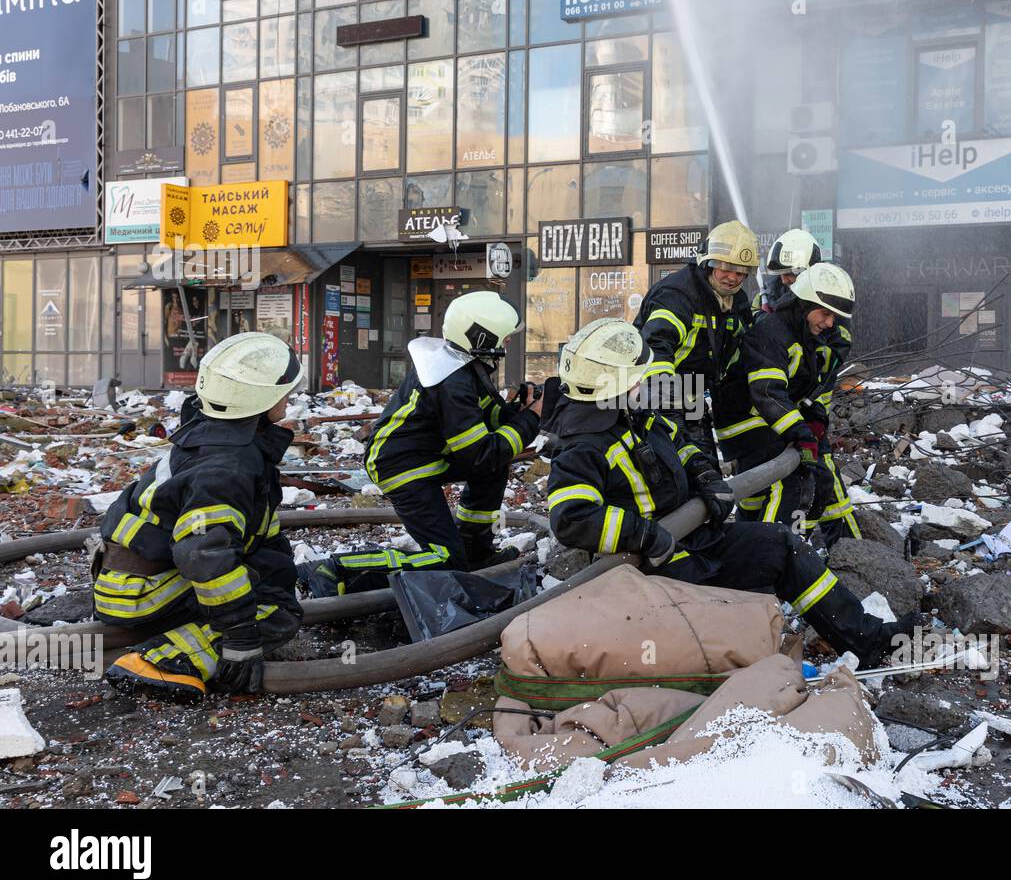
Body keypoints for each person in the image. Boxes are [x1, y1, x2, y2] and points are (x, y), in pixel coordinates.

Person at [543, 318, 918, 668]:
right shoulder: (581, 446)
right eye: (636, 378)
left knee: (781, 546)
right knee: (739, 615)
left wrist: (704, 473)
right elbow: (572, 518)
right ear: (614, 383)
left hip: (695, 539)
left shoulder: (631, 413)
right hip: (652, 571)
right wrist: (645, 535)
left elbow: (678, 445)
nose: (643, 384)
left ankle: (867, 641)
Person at [96, 333, 305, 701]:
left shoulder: (213, 436)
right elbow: (203, 555)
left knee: (263, 587)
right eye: (284, 393)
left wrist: (280, 576)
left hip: (129, 580)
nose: (288, 399)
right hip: (142, 592)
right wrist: (241, 635)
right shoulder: (228, 468)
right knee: (278, 614)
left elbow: (258, 534)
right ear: (262, 400)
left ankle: (183, 631)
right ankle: (162, 662)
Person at [300, 291, 542, 597]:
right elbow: (479, 454)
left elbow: (477, 423)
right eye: (505, 337)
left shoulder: (463, 364)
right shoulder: (452, 380)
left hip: (425, 456)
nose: (508, 342)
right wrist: (531, 419)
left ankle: (475, 552)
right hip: (401, 467)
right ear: (482, 336)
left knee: (493, 469)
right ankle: (337, 570)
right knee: (444, 560)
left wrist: (515, 413)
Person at [714, 262, 862, 547]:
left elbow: (804, 389)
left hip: (766, 421)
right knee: (794, 479)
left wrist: (815, 417)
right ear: (805, 304)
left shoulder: (802, 335)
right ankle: (770, 557)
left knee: (815, 481)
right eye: (826, 313)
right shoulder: (771, 331)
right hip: (745, 423)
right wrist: (801, 434)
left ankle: (784, 548)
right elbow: (767, 393)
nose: (830, 323)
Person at [633, 220, 758, 463]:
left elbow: (743, 352)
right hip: (652, 400)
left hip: (693, 399)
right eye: (725, 267)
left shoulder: (737, 302)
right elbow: (656, 348)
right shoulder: (678, 295)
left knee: (704, 471)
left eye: (740, 271)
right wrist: (668, 406)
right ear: (708, 263)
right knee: (674, 476)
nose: (732, 277)